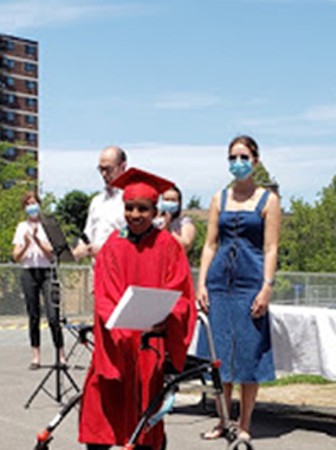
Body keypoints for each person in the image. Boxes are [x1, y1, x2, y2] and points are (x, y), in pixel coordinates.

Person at [78, 168, 197, 450]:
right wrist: (119, 326)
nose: (135, 214)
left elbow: (180, 293)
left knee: (146, 423)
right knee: (103, 416)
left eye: (142, 209)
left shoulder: (168, 245)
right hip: (115, 345)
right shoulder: (112, 247)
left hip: (149, 346)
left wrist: (166, 319)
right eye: (129, 208)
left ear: (155, 210)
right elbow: (104, 297)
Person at [196, 135, 281, 442]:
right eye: (232, 157)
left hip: (251, 283)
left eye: (243, 157)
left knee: (247, 355)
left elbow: (271, 248)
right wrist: (202, 283)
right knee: (219, 355)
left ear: (255, 161)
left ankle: (244, 424)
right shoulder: (219, 197)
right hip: (219, 284)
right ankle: (223, 420)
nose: (237, 163)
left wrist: (266, 287)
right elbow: (209, 244)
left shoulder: (268, 200)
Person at [12, 191, 66, 369]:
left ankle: (61, 355)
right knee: (33, 315)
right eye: (28, 203)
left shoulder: (47, 225)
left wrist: (37, 239)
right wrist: (27, 243)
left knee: (53, 316)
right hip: (29, 271)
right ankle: (36, 356)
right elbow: (16, 256)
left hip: (47, 271)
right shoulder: (21, 227)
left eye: (34, 202)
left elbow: (52, 253)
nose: (31, 206)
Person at [73, 146, 127, 259]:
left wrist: (105, 250)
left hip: (121, 269)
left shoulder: (131, 200)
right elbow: (88, 235)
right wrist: (78, 250)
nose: (103, 174)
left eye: (108, 169)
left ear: (123, 167)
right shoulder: (97, 202)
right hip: (98, 269)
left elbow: (132, 237)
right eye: (101, 169)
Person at [155, 185, 196, 251]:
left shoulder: (185, 222)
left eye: (173, 200)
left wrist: (169, 230)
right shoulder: (153, 222)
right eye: (166, 200)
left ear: (179, 203)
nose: (169, 203)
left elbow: (185, 245)